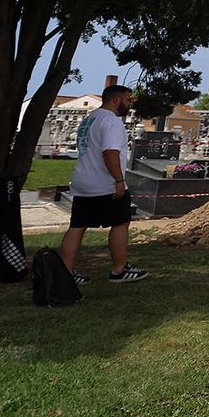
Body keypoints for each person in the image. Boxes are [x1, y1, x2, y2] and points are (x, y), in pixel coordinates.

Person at [59, 84, 147, 284]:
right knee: (120, 222)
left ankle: (65, 271)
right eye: (127, 99)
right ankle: (119, 269)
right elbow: (110, 153)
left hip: (84, 180)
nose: (130, 103)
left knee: (77, 225)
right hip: (105, 182)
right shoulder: (111, 122)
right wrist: (118, 180)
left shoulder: (90, 119)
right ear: (115, 99)